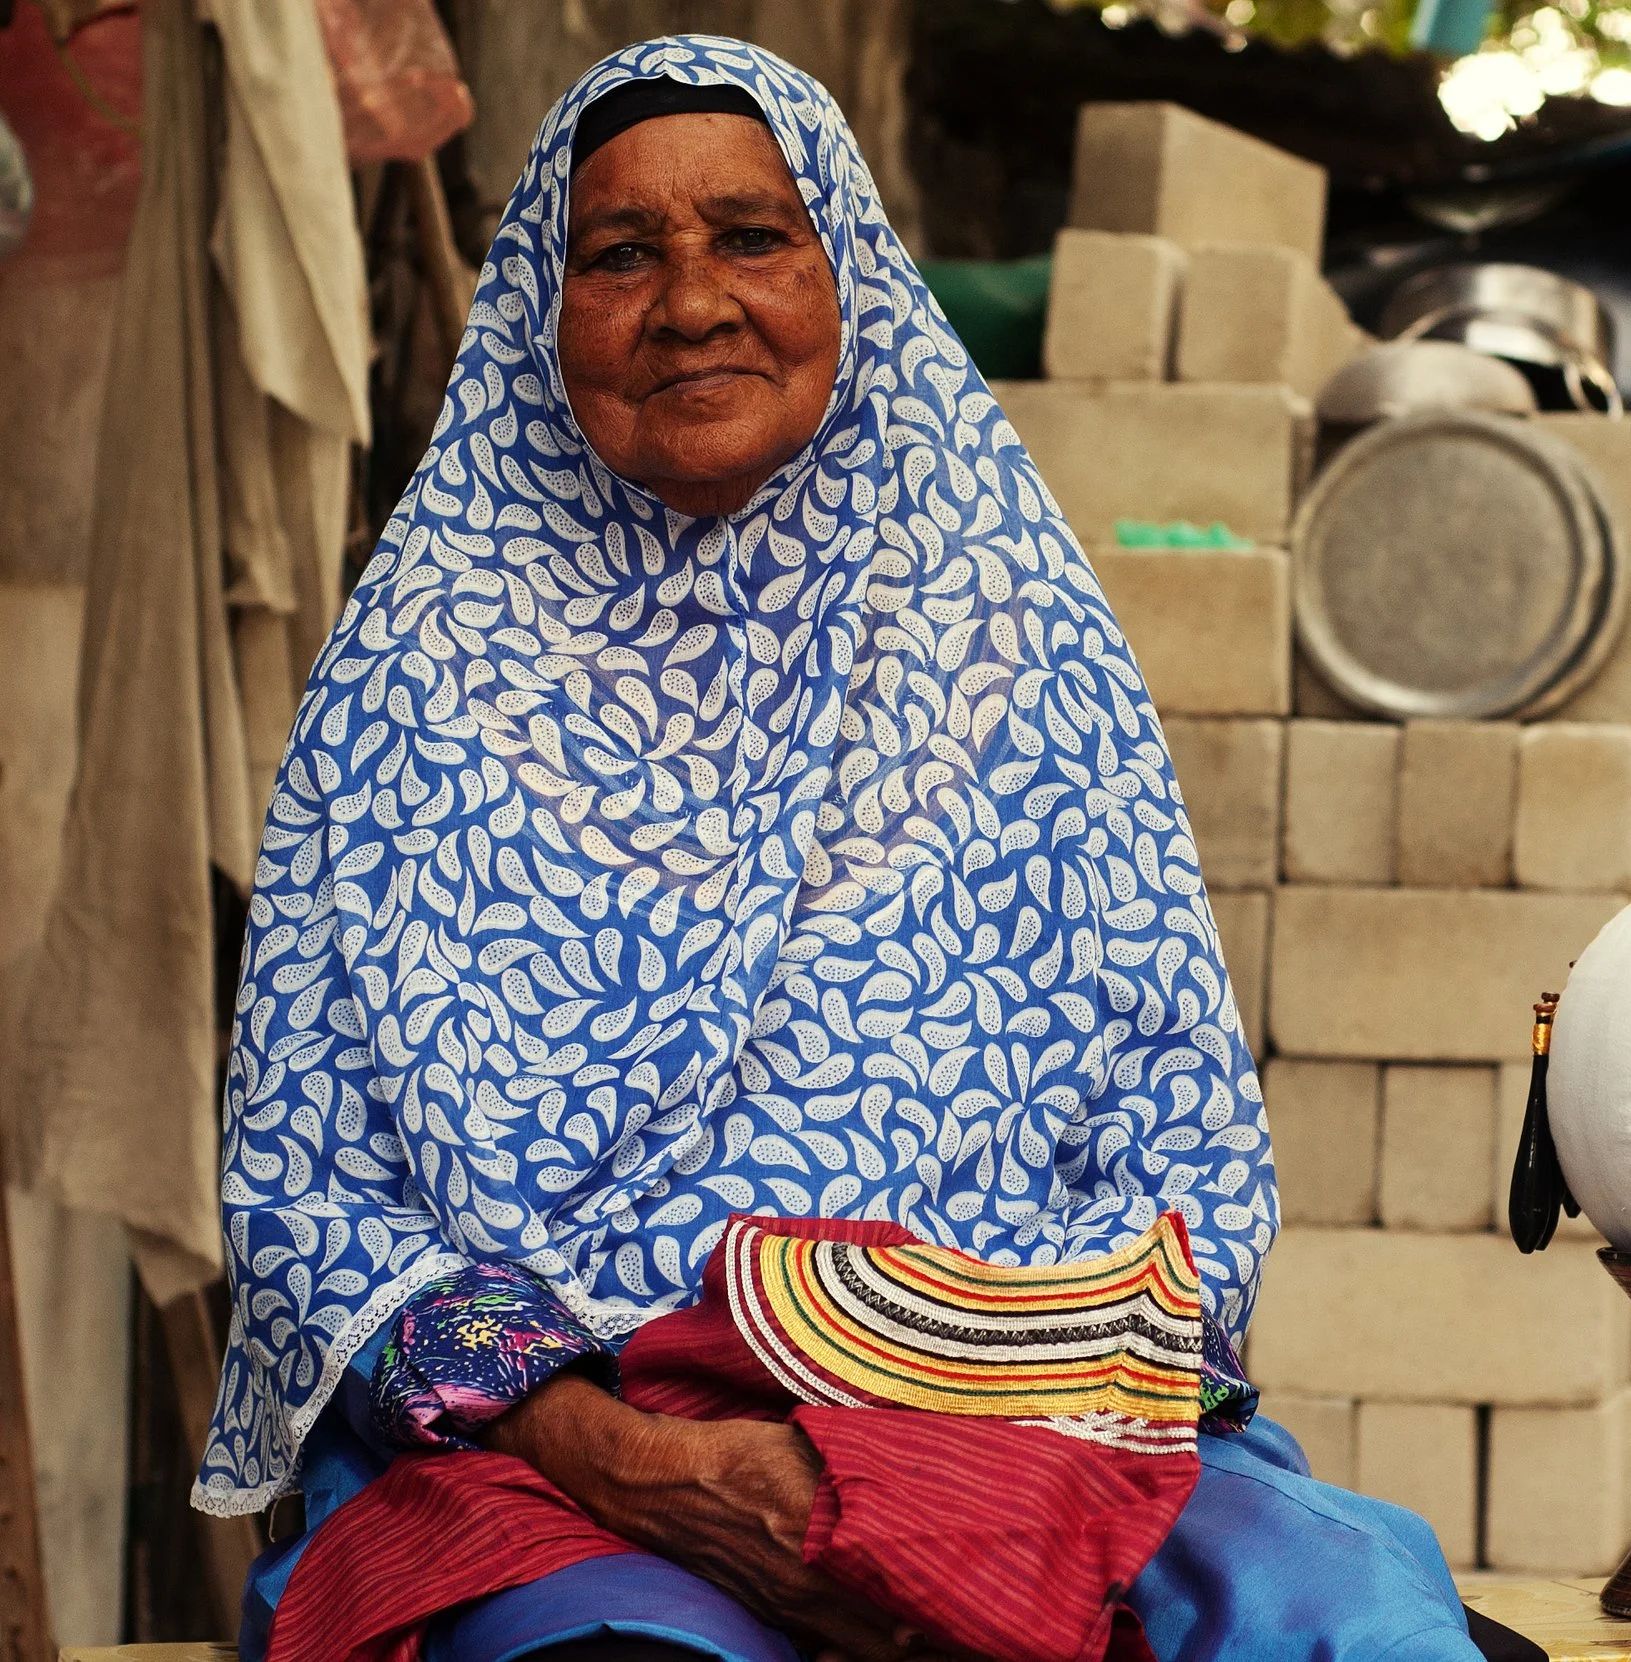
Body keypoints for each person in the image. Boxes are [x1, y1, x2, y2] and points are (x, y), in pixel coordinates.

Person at [199, 35, 1511, 1662]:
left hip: (1007, 1422)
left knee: (1353, 1629)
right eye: (620, 255)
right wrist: (653, 1460)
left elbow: (1183, 1160)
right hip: (567, 1465)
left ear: (850, 284)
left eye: (752, 235)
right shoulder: (411, 678)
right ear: (544, 314)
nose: (690, 302)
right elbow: (310, 1201)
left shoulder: (1015, 644)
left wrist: (930, 1438)